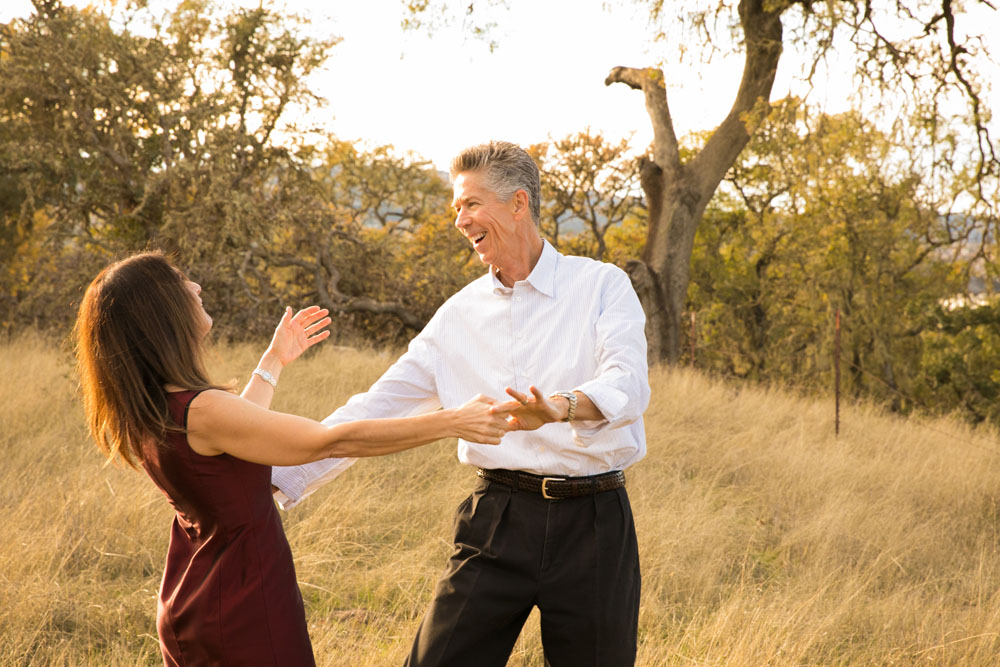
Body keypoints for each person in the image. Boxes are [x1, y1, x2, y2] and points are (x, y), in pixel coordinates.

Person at [272, 140, 650, 666]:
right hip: (497, 518)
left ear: (518, 204)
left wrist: (561, 407)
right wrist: (271, 475)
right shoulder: (457, 315)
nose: (460, 219)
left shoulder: (603, 286)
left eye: (470, 204)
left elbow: (628, 383)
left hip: (594, 523)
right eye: (456, 208)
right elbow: (378, 406)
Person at [74, 251, 512, 667]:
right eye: (179, 281)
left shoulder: (158, 407)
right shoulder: (201, 410)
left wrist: (274, 360)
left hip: (201, 593)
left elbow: (234, 437)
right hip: (239, 604)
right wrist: (451, 421)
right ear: (160, 313)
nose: (195, 285)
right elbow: (328, 441)